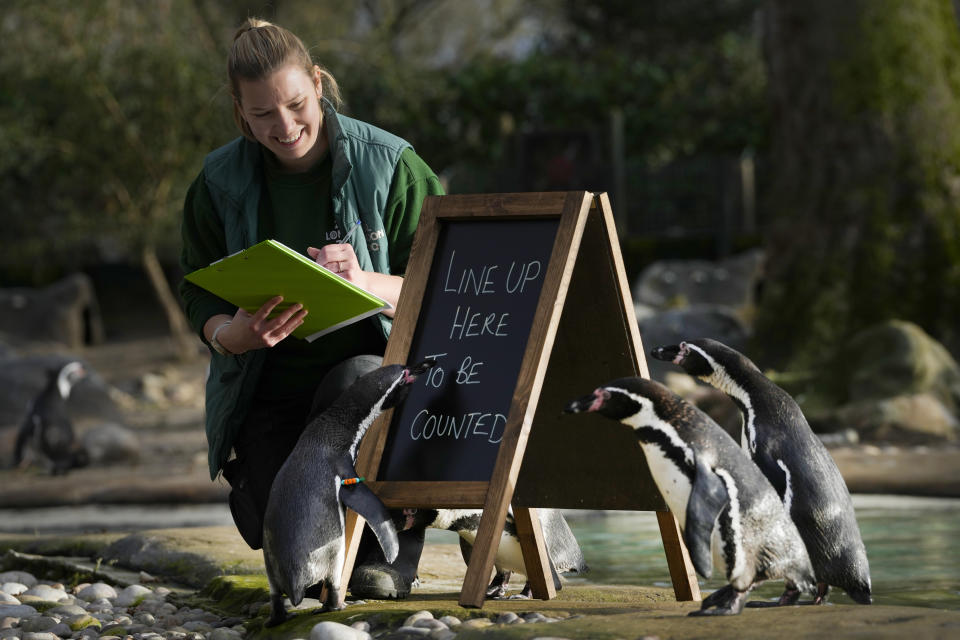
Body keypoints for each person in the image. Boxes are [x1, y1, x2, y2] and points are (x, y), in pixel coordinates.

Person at [178, 17, 444, 600]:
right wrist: (230, 334)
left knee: (357, 380)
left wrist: (369, 281)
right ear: (239, 111)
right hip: (266, 384)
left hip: (370, 386)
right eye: (263, 115)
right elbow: (195, 287)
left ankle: (387, 555)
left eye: (296, 104)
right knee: (276, 533)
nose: (285, 126)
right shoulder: (218, 180)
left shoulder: (393, 166)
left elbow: (454, 279)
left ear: (318, 85)